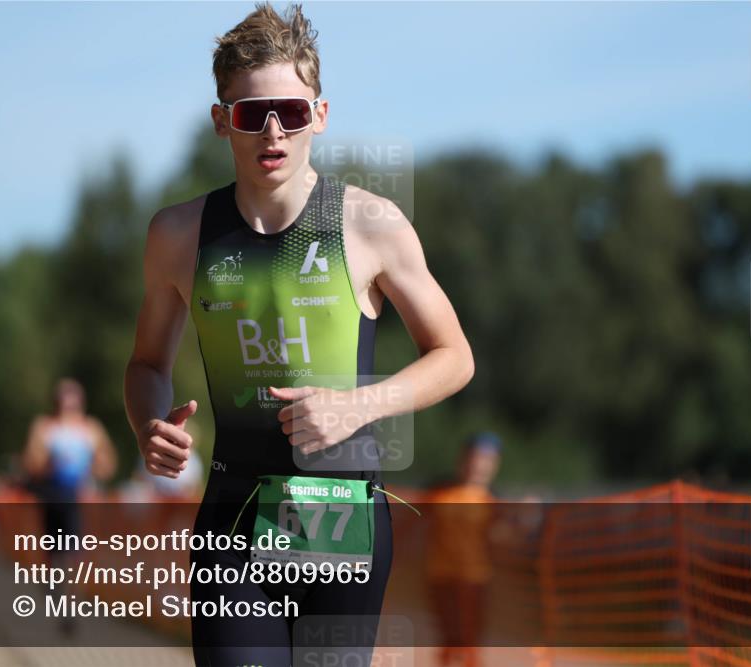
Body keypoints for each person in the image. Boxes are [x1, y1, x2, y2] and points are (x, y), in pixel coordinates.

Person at [124, 4, 475, 665]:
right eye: (253, 114)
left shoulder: (371, 224)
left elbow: (455, 356)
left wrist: (357, 404)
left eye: (292, 109)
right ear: (222, 120)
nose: (274, 130)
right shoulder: (176, 235)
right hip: (233, 514)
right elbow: (146, 364)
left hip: (339, 514)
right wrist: (148, 425)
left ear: (320, 114)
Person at [22, 377, 117, 632]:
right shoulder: (44, 426)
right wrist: (49, 461)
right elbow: (30, 463)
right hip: (52, 495)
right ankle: (55, 588)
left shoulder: (91, 429)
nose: (68, 407)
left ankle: (70, 605)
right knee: (54, 552)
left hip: (78, 497)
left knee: (74, 552)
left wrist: (95, 467)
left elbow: (108, 463)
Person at [424, 432, 502, 667]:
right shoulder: (438, 493)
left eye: (487, 460)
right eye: (475, 457)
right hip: (440, 574)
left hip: (474, 578)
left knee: (468, 636)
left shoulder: (492, 502)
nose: (479, 465)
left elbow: (501, 539)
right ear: (463, 459)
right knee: (449, 634)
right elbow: (411, 526)